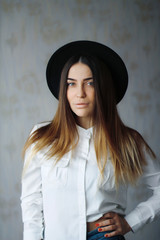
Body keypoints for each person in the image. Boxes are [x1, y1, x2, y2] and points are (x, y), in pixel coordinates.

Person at [21, 41, 160, 240]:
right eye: (71, 83)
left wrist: (131, 221)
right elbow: (31, 202)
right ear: (64, 90)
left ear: (103, 88)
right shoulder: (42, 137)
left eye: (90, 83)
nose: (80, 93)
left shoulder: (127, 140)